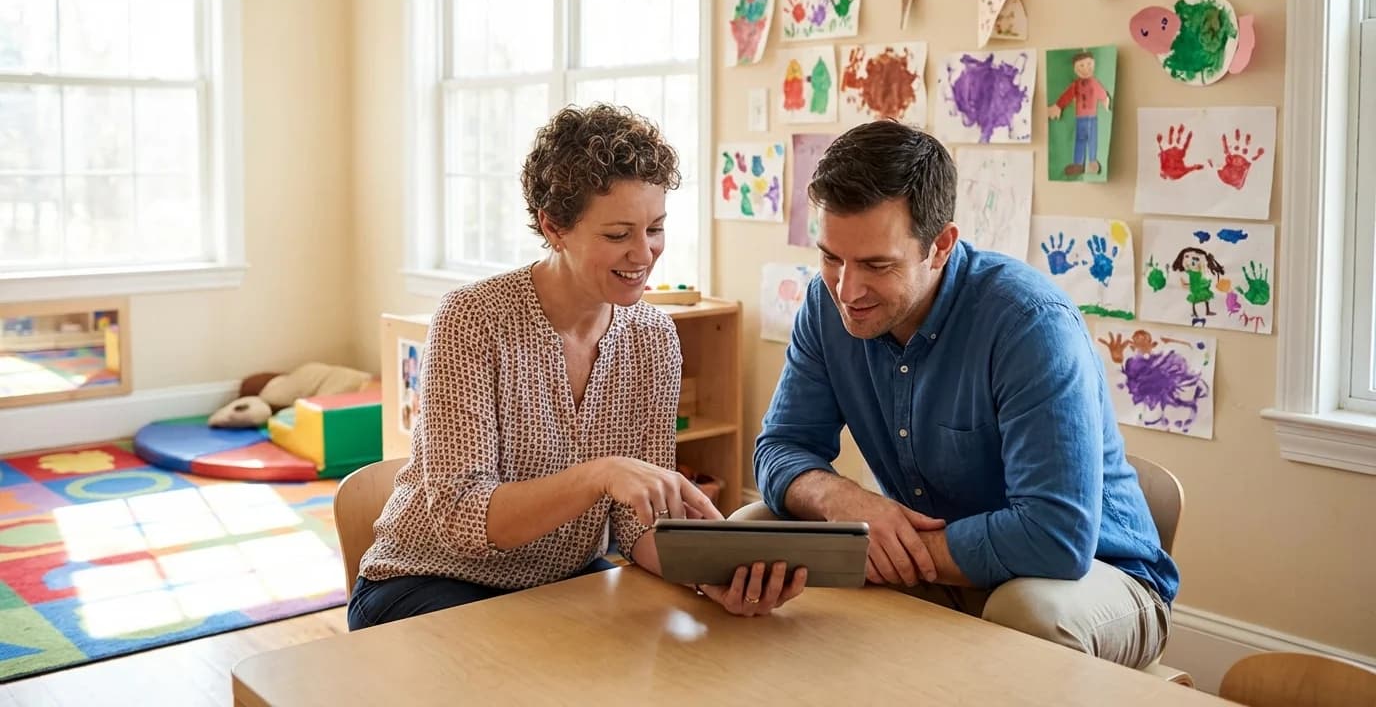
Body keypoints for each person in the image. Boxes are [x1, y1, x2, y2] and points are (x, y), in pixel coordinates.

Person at [349, 105, 805, 630]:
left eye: (655, 228)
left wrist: (711, 575)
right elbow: (463, 517)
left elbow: (637, 531)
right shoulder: (473, 320)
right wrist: (601, 475)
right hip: (428, 581)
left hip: (563, 585)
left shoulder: (654, 340)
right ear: (554, 227)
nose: (644, 253)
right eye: (618, 235)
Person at [751, 120, 1178, 669]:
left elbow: (1056, 538)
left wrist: (888, 550)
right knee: (756, 528)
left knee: (1027, 610)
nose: (846, 290)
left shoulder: (1030, 324)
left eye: (877, 265)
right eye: (832, 257)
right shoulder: (824, 303)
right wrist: (847, 504)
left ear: (941, 246)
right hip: (947, 567)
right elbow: (780, 447)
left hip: (1096, 577)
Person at [1048, 50, 1111, 176]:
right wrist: (1058, 106)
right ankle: (1078, 164)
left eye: (1088, 65)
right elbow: (1067, 96)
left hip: (1092, 118)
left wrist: (1105, 100)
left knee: (1092, 140)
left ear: (1093, 65)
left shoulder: (1094, 83)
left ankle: (1092, 161)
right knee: (1080, 140)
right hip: (1080, 118)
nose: (1085, 69)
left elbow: (1101, 93)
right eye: (1081, 66)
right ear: (1075, 69)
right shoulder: (1076, 85)